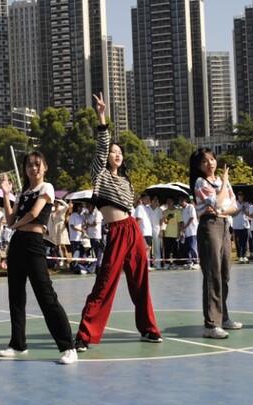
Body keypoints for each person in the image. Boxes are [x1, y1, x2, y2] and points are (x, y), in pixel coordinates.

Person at [74, 93, 162, 353]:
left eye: (120, 152)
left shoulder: (126, 182)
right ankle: (85, 335)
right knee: (105, 282)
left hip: (133, 229)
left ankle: (148, 329)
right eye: (113, 151)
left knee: (140, 280)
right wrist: (102, 117)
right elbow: (102, 147)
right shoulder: (99, 175)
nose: (116, 154)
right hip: (116, 232)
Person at [0, 151, 77, 365]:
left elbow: (33, 215)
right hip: (17, 244)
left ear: (44, 167)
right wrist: (6, 194)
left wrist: (13, 226)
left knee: (46, 295)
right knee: (15, 296)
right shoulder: (24, 192)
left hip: (34, 244)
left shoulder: (47, 188)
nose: (33, 168)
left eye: (37, 164)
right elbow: (9, 217)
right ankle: (17, 344)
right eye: (29, 165)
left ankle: (68, 346)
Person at [190, 148, 243, 339]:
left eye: (212, 159)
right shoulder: (201, 182)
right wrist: (225, 183)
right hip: (209, 227)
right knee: (213, 275)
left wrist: (221, 209)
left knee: (224, 274)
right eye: (205, 161)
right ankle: (211, 324)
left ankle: (223, 317)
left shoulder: (221, 182)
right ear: (199, 166)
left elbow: (234, 207)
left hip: (223, 226)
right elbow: (220, 203)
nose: (210, 163)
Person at [179, 195, 199, 269]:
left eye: (183, 200)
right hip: (186, 232)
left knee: (193, 247)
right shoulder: (182, 209)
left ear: (185, 200)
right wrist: (182, 228)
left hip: (192, 230)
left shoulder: (190, 206)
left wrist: (185, 226)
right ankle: (190, 262)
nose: (181, 201)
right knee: (188, 247)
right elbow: (182, 221)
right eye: (180, 200)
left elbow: (192, 218)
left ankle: (196, 262)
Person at [161, 197, 182, 268]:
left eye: (170, 201)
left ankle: (175, 263)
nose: (169, 203)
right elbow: (166, 222)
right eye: (167, 201)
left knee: (175, 250)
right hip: (167, 233)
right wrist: (164, 218)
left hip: (175, 233)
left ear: (173, 202)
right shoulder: (166, 211)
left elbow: (179, 223)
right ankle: (167, 263)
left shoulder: (177, 211)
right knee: (167, 249)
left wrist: (179, 232)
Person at [231, 191, 250, 263]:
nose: (240, 196)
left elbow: (248, 214)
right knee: (238, 241)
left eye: (242, 194)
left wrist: (245, 211)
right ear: (237, 196)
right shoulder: (234, 204)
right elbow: (232, 214)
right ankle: (239, 256)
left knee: (245, 241)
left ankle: (244, 255)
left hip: (245, 225)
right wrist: (239, 210)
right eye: (239, 194)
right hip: (237, 225)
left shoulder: (246, 204)